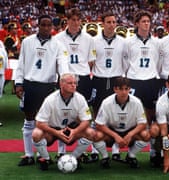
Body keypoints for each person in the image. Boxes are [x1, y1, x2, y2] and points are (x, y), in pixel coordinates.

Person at [14, 14, 69, 166]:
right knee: (29, 120)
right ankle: (28, 154)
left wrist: (64, 81)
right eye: (43, 25)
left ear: (53, 26)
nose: (46, 28)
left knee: (50, 122)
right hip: (30, 84)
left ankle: (45, 154)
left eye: (48, 25)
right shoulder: (27, 41)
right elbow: (21, 63)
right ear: (37, 25)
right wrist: (18, 83)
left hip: (48, 86)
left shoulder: (58, 44)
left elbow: (62, 64)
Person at [55, 7, 96, 158]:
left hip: (83, 78)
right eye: (73, 19)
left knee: (83, 114)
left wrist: (80, 73)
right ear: (67, 20)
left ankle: (82, 151)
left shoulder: (89, 39)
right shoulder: (58, 38)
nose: (76, 22)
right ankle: (61, 151)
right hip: (65, 78)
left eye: (78, 20)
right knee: (63, 114)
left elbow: (90, 62)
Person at [32, 73, 95, 170]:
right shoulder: (50, 99)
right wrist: (57, 132)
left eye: (75, 83)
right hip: (53, 130)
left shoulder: (80, 98)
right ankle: (46, 159)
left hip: (71, 129)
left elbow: (86, 120)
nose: (74, 85)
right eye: (70, 83)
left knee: (90, 132)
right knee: (36, 134)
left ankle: (74, 158)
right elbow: (39, 123)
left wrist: (75, 131)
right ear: (61, 84)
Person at [91, 12, 127, 160]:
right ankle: (94, 150)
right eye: (108, 22)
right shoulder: (94, 41)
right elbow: (91, 61)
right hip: (99, 80)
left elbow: (125, 61)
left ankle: (116, 150)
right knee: (97, 114)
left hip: (115, 80)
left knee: (115, 115)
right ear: (102, 24)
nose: (112, 25)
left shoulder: (123, 41)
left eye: (114, 22)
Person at [93, 77, 150, 169]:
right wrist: (116, 136)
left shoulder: (136, 102)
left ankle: (131, 156)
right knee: (96, 135)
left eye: (126, 89)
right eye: (121, 89)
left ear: (129, 89)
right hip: (112, 131)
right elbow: (99, 124)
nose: (124, 92)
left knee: (146, 135)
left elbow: (142, 123)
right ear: (115, 89)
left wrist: (130, 134)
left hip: (130, 130)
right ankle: (105, 157)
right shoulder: (106, 102)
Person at [124, 10, 161, 126]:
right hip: (134, 79)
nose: (146, 24)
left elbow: (159, 61)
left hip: (151, 79)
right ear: (137, 24)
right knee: (132, 110)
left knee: (151, 110)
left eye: (148, 21)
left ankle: (150, 135)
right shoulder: (128, 42)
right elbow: (125, 61)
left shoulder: (157, 42)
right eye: (143, 21)